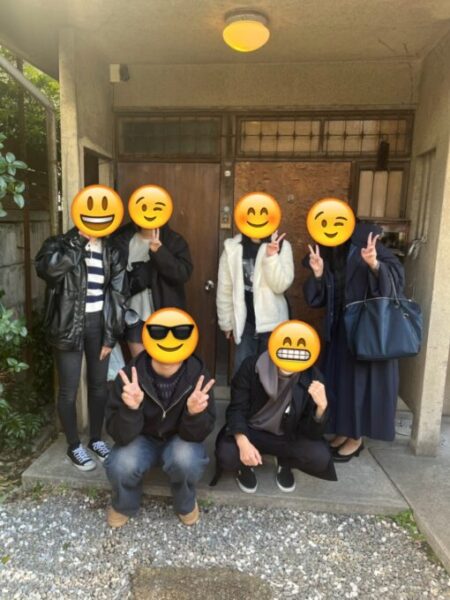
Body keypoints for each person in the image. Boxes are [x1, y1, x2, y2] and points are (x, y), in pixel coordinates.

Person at [303, 221, 405, 461]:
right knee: (339, 383)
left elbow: (395, 281)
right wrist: (318, 273)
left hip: (365, 332)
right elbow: (323, 297)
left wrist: (375, 265)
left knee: (359, 386)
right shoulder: (332, 250)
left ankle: (356, 438)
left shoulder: (365, 240)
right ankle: (343, 431)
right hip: (340, 331)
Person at [35, 228, 127, 471]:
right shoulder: (59, 243)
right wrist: (78, 242)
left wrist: (111, 336)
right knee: (69, 389)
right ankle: (73, 444)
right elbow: (48, 271)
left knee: (99, 385)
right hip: (67, 324)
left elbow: (118, 295)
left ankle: (96, 439)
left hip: (99, 325)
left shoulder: (112, 250)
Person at [104, 345, 216, 528]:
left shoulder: (199, 375)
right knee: (121, 463)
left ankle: (185, 503)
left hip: (180, 438)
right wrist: (131, 410)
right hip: (141, 438)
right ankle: (124, 504)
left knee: (188, 459)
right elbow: (118, 434)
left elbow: (200, 434)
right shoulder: (130, 374)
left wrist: (193, 414)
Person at [214, 349, 337, 493]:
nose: (291, 352)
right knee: (227, 454)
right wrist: (243, 442)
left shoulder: (312, 376)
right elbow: (237, 408)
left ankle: (285, 462)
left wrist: (320, 409)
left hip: (287, 436)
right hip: (251, 430)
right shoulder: (253, 365)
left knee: (320, 457)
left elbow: (311, 433)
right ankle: (244, 464)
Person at [216, 231, 294, 373]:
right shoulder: (232, 247)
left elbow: (281, 286)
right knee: (243, 372)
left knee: (270, 375)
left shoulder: (282, 245)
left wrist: (271, 257)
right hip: (245, 323)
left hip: (273, 325)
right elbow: (225, 288)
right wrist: (226, 322)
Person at [111, 224, 193, 357]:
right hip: (133, 317)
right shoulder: (123, 239)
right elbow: (115, 280)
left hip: (165, 317)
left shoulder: (174, 240)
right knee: (139, 364)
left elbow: (182, 274)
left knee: (164, 362)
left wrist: (160, 252)